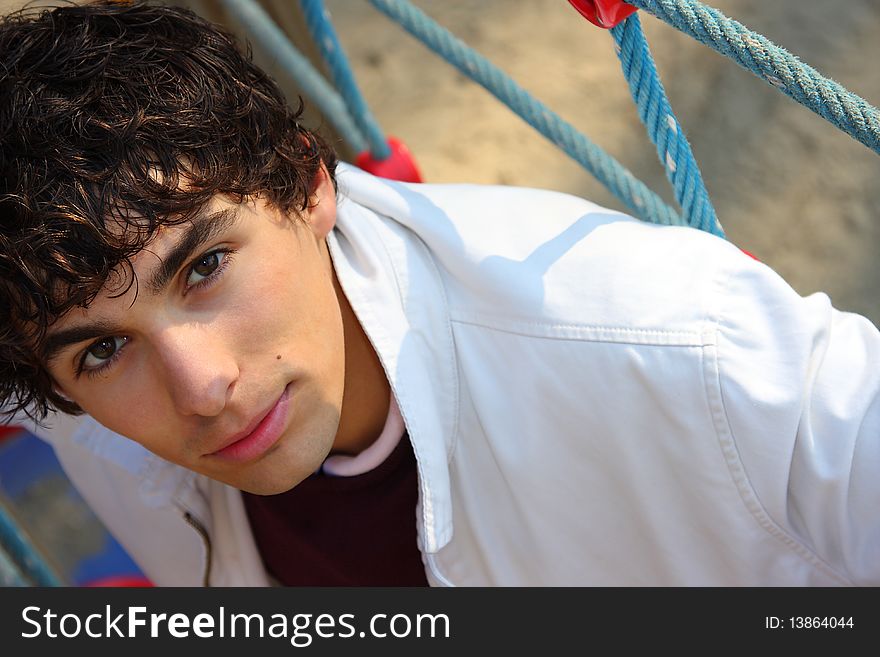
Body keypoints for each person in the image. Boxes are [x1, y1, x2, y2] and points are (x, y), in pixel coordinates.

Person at [1, 1, 877, 587]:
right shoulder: (87, 415)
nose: (200, 388)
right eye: (105, 347)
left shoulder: (665, 341)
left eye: (205, 266)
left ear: (309, 186)